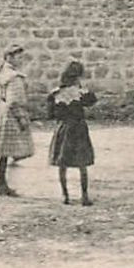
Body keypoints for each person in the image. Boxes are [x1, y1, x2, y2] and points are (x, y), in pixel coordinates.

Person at [0, 45, 35, 196]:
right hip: (10, 115)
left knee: (5, 152)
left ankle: (3, 182)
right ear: (9, 58)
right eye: (19, 57)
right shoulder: (14, 77)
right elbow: (14, 100)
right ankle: (2, 184)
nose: (21, 60)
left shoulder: (2, 75)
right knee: (10, 150)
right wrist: (21, 118)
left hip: (0, 112)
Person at [47, 61, 97, 206]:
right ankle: (84, 196)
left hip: (63, 129)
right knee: (82, 163)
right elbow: (92, 101)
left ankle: (65, 195)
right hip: (79, 128)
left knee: (63, 163)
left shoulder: (56, 94)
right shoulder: (81, 93)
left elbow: (50, 114)